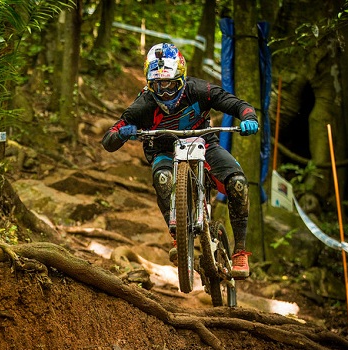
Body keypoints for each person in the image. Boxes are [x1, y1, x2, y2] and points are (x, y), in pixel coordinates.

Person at [101, 43, 258, 279]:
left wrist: (249, 118)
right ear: (149, 84)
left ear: (181, 80)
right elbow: (109, 139)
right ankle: (178, 236)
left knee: (238, 184)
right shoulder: (143, 104)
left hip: (205, 143)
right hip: (163, 149)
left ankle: (239, 252)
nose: (165, 93)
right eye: (157, 86)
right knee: (163, 178)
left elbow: (238, 105)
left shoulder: (200, 90)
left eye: (170, 85)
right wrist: (122, 133)